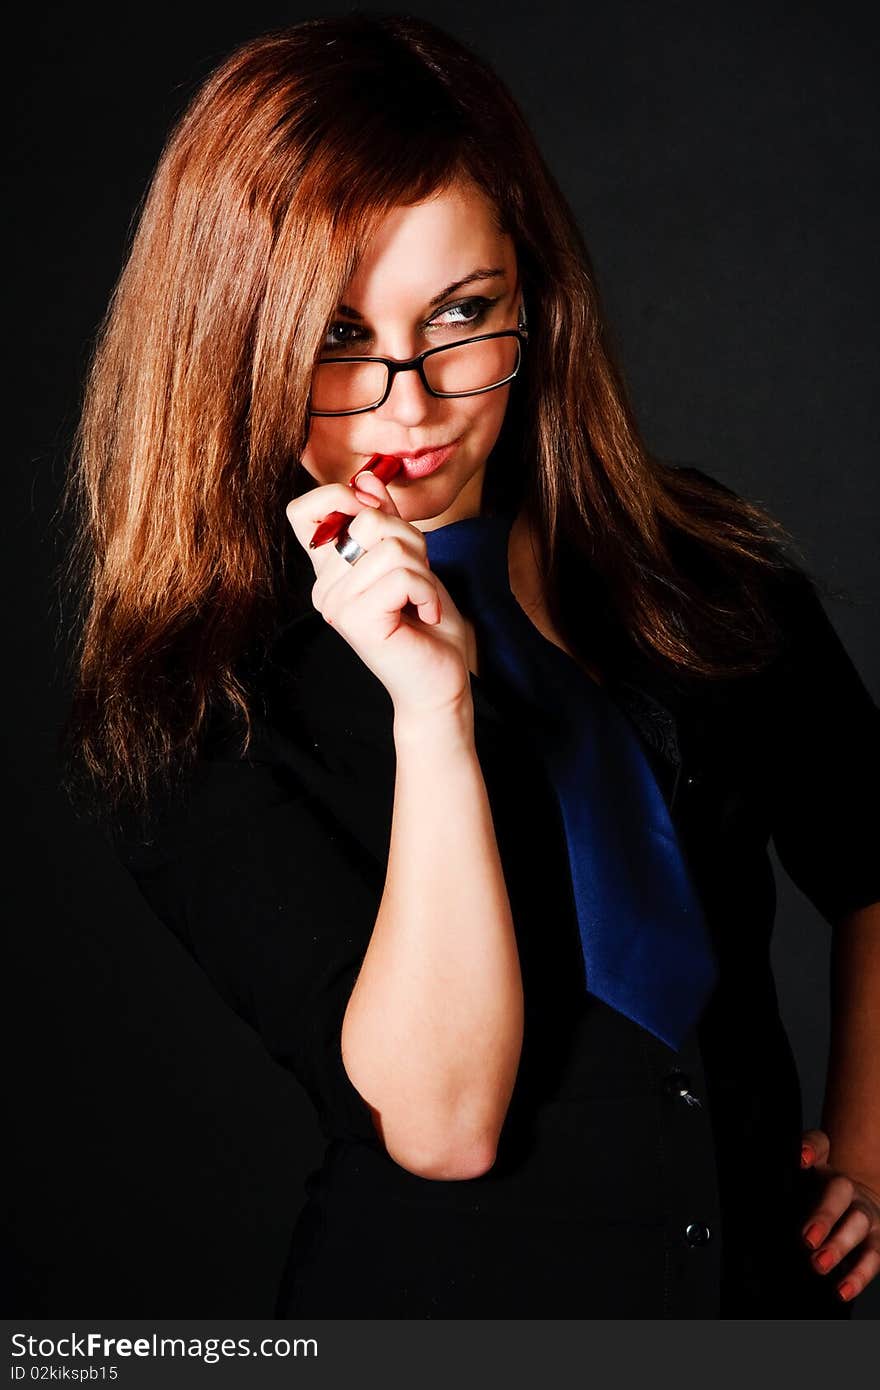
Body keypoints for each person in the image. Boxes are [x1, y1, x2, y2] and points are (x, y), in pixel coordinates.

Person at [59, 13, 880, 1318]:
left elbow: (869, 847)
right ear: (236, 345)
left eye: (462, 316)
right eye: (336, 338)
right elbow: (444, 1124)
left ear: (535, 301)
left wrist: (870, 1134)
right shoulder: (194, 701)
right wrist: (434, 711)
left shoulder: (700, 562)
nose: (412, 403)